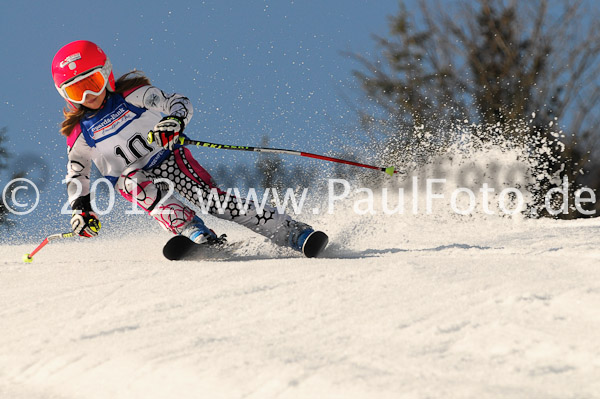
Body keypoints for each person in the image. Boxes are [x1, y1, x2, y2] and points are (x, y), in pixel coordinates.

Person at [51, 40, 328, 258]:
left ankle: (291, 232)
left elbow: (177, 102)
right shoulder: (80, 134)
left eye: (93, 84)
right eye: (77, 92)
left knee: (212, 201)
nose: (89, 97)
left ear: (107, 75)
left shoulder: (133, 96)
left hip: (167, 157)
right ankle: (195, 233)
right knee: (138, 186)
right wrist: (81, 209)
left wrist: (174, 120)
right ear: (66, 96)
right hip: (129, 178)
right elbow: (77, 174)